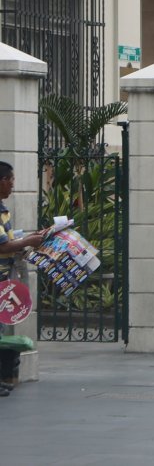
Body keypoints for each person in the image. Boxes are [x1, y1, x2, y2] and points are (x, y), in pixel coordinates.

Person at [0, 161, 50, 397]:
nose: (12, 185)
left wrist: (26, 240)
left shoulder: (2, 210)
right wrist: (28, 242)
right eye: (10, 180)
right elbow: (3, 246)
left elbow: (8, 242)